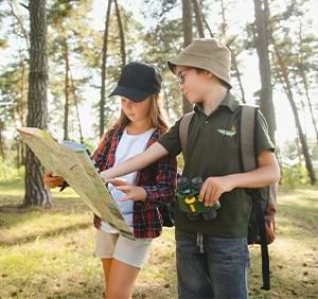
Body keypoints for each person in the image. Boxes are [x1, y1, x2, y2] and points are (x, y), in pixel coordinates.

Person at [99, 39, 281, 299]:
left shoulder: (247, 117)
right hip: (187, 234)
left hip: (228, 235)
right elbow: (145, 157)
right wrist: (101, 176)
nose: (180, 84)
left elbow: (271, 172)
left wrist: (228, 181)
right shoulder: (185, 124)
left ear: (207, 70)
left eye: (184, 76)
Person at [44, 62, 177, 299]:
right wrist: (61, 179)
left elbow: (168, 189)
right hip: (106, 221)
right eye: (123, 99)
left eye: (135, 99)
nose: (128, 106)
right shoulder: (114, 133)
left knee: (116, 294)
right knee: (111, 294)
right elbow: (92, 169)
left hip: (137, 225)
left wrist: (142, 193)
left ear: (154, 99)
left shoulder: (163, 139)